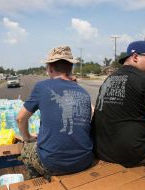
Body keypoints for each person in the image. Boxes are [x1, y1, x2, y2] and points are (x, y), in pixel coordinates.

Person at [17, 45, 94, 178]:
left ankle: (38, 182)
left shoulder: (42, 86)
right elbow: (89, 117)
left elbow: (20, 119)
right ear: (71, 68)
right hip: (84, 161)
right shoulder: (84, 92)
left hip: (53, 164)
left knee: (26, 150)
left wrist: (27, 138)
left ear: (50, 67)